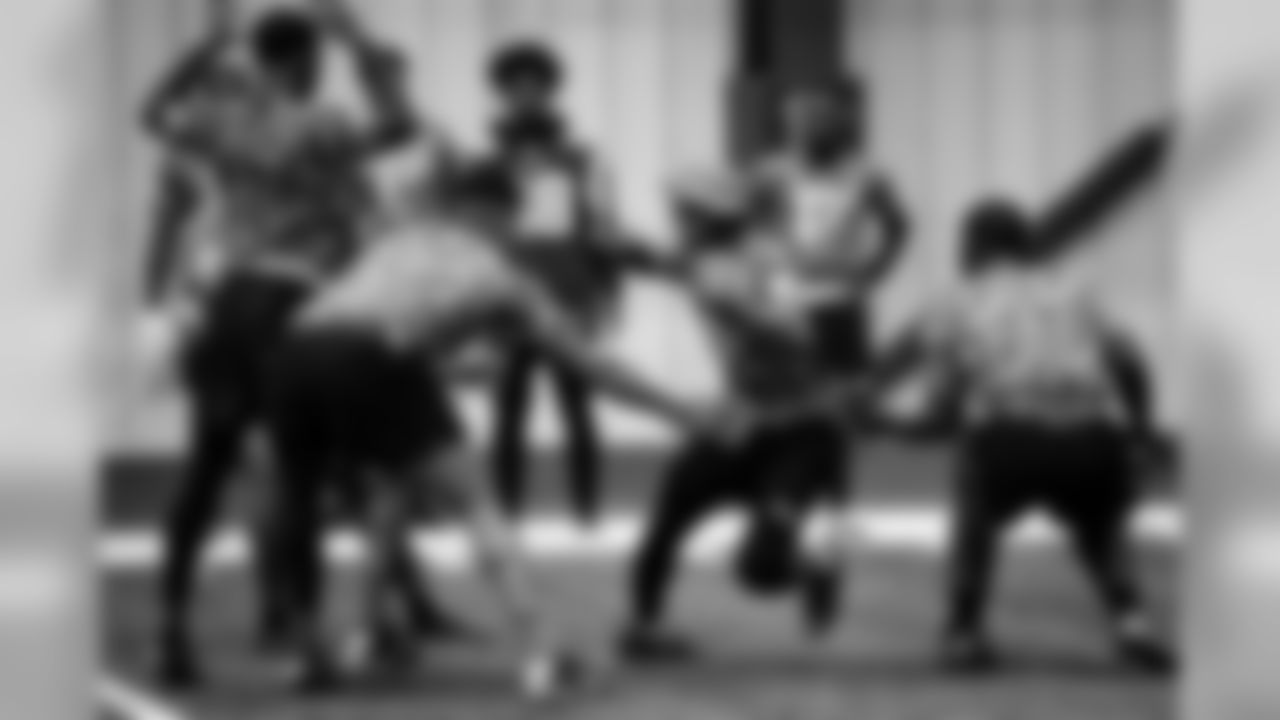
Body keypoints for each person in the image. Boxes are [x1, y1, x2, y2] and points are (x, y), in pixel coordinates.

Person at [261, 166, 749, 691]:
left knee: (310, 497)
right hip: (369, 354)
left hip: (296, 348)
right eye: (511, 221)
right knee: (476, 502)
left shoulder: (400, 238)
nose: (514, 232)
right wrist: (682, 411)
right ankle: (541, 652)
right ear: (497, 215)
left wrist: (450, 365)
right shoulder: (499, 275)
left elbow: (374, 324)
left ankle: (321, 646)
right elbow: (592, 367)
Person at [141, 0, 425, 687]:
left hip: (229, 304)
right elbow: (401, 126)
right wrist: (360, 41)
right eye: (318, 59)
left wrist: (204, 48)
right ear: (303, 60)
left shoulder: (220, 120)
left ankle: (172, 629)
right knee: (301, 478)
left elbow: (149, 113)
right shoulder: (322, 123)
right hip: (295, 308)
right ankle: (308, 644)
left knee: (206, 469)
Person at [872, 199, 1174, 674]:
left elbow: (942, 416)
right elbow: (1130, 362)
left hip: (1010, 439)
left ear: (972, 247)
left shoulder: (953, 301)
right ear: (1027, 246)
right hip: (1091, 438)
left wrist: (883, 423)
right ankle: (1132, 622)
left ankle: (964, 629)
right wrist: (1140, 431)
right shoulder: (1076, 291)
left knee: (974, 497)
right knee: (1101, 520)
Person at [614, 172, 869, 662]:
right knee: (670, 511)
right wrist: (615, 250)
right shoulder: (703, 262)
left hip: (802, 429)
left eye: (684, 216)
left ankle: (811, 570)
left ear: (707, 221)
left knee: (758, 571)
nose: (677, 225)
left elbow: (795, 332)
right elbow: (652, 259)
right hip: (742, 421)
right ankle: (644, 624)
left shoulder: (769, 262)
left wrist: (746, 314)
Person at [481, 41, 625, 525]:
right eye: (515, 88)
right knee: (509, 412)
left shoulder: (582, 159)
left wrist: (609, 294)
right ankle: (507, 513)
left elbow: (604, 227)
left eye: (534, 87)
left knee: (576, 407)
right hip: (508, 303)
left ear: (550, 92)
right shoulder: (487, 165)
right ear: (503, 95)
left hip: (569, 301)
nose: (526, 97)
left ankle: (587, 512)